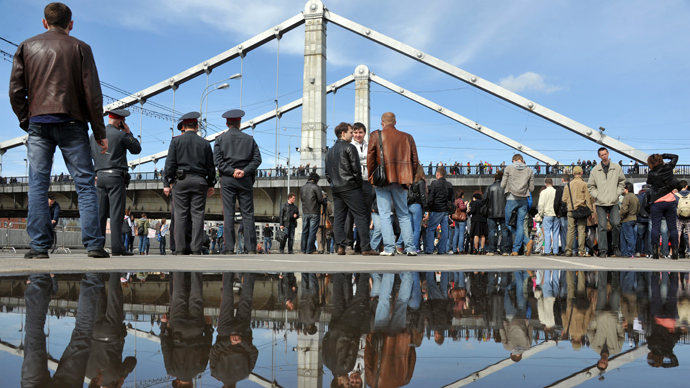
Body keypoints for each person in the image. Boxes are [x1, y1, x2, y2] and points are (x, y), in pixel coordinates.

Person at [10, 2, 109, 259]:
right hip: (73, 122)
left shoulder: (26, 46)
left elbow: (15, 91)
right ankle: (95, 245)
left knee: (37, 185)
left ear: (44, 22)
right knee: (85, 185)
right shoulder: (81, 47)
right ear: (71, 24)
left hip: (39, 124)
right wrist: (99, 132)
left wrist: (27, 119)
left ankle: (39, 247)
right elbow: (92, 94)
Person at [367, 112, 420, 256]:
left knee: (384, 215)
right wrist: (410, 177)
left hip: (383, 181)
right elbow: (415, 160)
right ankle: (410, 248)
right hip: (401, 180)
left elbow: (370, 158)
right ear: (395, 122)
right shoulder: (407, 137)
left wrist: (371, 177)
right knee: (403, 214)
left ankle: (389, 249)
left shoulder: (376, 135)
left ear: (382, 123)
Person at [90, 109, 141, 256]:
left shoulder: (93, 135)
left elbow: (88, 156)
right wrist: (129, 133)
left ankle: (97, 246)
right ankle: (117, 248)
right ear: (121, 122)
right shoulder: (121, 135)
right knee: (116, 213)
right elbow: (136, 149)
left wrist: (94, 173)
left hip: (99, 177)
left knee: (100, 213)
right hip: (116, 177)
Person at [164, 112, 216, 255]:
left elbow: (170, 164)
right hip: (200, 181)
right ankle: (196, 249)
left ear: (184, 126)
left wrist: (166, 183)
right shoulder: (205, 143)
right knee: (198, 215)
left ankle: (180, 249)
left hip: (180, 182)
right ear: (197, 126)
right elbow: (211, 167)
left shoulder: (175, 142)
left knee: (180, 215)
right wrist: (211, 184)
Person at [214, 109, 262, 255]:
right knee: (248, 214)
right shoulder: (249, 139)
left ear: (227, 123)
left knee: (228, 214)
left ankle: (229, 248)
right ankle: (251, 248)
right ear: (240, 123)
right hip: (245, 180)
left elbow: (217, 161)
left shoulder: (219, 140)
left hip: (228, 180)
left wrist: (231, 171)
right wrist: (244, 171)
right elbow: (257, 160)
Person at [325, 122, 378, 256]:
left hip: (336, 189)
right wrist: (358, 185)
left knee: (339, 218)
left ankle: (340, 247)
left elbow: (327, 174)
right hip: (351, 187)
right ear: (343, 133)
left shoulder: (329, 151)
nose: (352, 135)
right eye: (350, 132)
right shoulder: (350, 148)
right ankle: (365, 247)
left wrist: (334, 183)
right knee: (361, 216)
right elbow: (356, 170)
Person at [210, 273, 258, 387]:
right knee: (227, 298)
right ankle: (227, 269)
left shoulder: (245, 373)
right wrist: (229, 342)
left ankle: (249, 271)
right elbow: (214, 351)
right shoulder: (215, 372)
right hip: (224, 332)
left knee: (246, 299)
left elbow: (253, 352)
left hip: (243, 332)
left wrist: (241, 341)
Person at [587, 147, 625, 257]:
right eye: (602, 155)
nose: (604, 156)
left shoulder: (616, 168)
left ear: (608, 153)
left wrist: (617, 193)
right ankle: (603, 249)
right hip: (600, 202)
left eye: (605, 154)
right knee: (602, 226)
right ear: (599, 156)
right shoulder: (595, 170)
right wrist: (597, 195)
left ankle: (615, 247)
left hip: (613, 200)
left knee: (616, 224)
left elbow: (622, 181)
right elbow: (590, 186)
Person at [646, 153, 680, 259]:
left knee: (655, 227)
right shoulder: (669, 169)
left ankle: (655, 252)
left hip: (657, 202)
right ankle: (674, 252)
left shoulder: (652, 174)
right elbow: (675, 157)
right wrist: (663, 155)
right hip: (670, 201)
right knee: (673, 227)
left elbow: (649, 183)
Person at [501, 154, 535, 256]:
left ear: (513, 160)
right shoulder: (530, 170)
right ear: (522, 160)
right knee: (520, 225)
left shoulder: (509, 168)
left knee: (508, 223)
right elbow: (532, 189)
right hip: (523, 199)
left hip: (511, 199)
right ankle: (517, 249)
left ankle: (525, 242)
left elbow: (502, 185)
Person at [562, 166, 593, 257]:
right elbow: (588, 198)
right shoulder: (584, 184)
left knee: (570, 230)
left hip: (571, 210)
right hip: (582, 210)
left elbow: (564, 199)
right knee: (581, 230)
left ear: (573, 174)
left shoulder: (568, 185)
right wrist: (590, 211)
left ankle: (568, 250)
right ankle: (581, 251)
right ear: (582, 173)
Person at [424, 167, 455, 255]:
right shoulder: (449, 185)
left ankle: (430, 249)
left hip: (436, 209)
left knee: (430, 229)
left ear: (438, 174)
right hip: (445, 210)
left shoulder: (434, 184)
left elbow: (431, 198)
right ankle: (441, 249)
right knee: (445, 231)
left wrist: (428, 209)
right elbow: (452, 198)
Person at [398, 165, 427, 253]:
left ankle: (400, 244)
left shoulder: (411, 181)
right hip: (417, 205)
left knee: (408, 227)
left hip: (409, 205)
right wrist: (425, 207)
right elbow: (422, 195)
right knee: (417, 229)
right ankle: (413, 247)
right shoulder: (421, 181)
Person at [485, 171, 510, 256]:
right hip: (504, 212)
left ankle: (492, 250)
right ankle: (504, 250)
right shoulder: (506, 188)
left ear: (494, 178)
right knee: (504, 231)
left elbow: (485, 199)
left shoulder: (490, 187)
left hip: (492, 212)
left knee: (492, 231)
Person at [300, 172, 324, 254]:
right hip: (314, 211)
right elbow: (320, 200)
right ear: (315, 179)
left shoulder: (302, 188)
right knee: (312, 232)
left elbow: (302, 199)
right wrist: (325, 202)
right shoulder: (316, 187)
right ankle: (309, 249)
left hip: (305, 212)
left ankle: (303, 250)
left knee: (304, 231)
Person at [538, 178, 560, 256]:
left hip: (547, 214)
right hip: (556, 214)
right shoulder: (556, 191)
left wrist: (541, 214)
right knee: (556, 233)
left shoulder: (543, 192)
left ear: (545, 184)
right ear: (552, 183)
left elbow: (541, 205)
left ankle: (547, 251)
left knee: (547, 233)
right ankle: (556, 251)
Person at [619, 182, 639, 258]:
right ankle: (624, 252)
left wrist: (620, 216)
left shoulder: (627, 197)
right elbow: (638, 208)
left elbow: (624, 209)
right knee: (625, 237)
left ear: (626, 189)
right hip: (634, 218)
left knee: (628, 237)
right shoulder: (635, 197)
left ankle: (630, 253)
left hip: (627, 219)